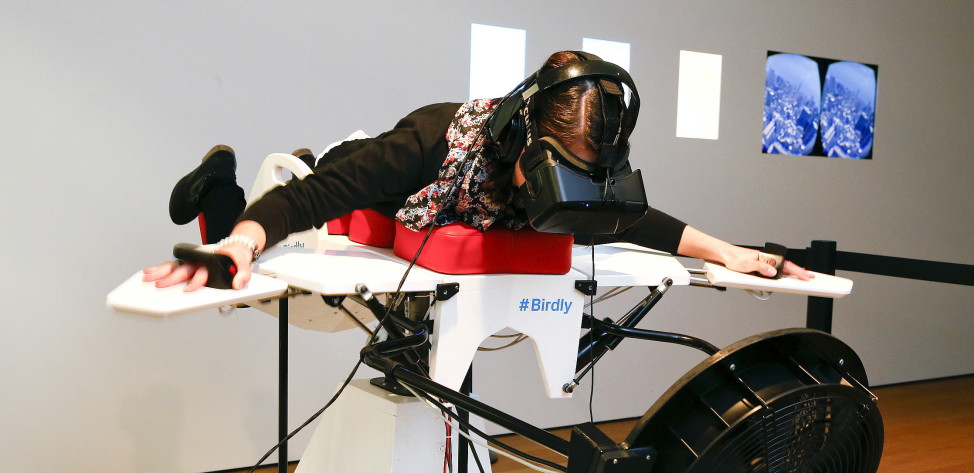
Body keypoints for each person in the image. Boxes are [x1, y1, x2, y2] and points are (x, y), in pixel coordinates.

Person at [144, 50, 811, 291]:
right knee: (246, 233)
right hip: (351, 180)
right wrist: (236, 245)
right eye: (558, 176)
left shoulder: (572, 169)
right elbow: (307, 200)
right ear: (520, 136)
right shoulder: (433, 138)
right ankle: (219, 186)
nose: (567, 197)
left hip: (430, 212)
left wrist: (732, 253)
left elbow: (632, 222)